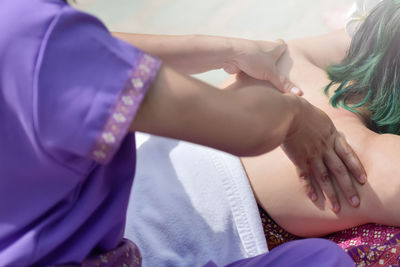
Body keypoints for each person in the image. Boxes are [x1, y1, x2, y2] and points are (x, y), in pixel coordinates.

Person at [0, 0, 363, 266]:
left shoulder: (25, 29)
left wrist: (230, 48)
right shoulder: (38, 40)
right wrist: (296, 117)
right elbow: (244, 126)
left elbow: (103, 50)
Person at [126, 0, 400, 266]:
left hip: (123, 168)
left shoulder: (286, 61)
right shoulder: (359, 157)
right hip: (140, 247)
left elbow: (363, 36)